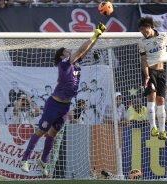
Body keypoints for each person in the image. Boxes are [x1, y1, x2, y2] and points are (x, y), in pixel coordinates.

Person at [20, 22, 106, 176]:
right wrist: (93, 35)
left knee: (52, 134)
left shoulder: (76, 64)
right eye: (67, 51)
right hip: (54, 104)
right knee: (41, 131)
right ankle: (24, 159)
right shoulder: (64, 64)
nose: (70, 52)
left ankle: (43, 161)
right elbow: (80, 50)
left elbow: (84, 51)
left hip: (65, 107)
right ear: (62, 56)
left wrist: (97, 38)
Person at [138, 17, 167, 140]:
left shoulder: (164, 36)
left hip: (161, 71)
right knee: (152, 98)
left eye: (144, 29)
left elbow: (166, 44)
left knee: (161, 100)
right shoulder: (142, 42)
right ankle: (153, 127)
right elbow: (143, 60)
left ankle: (162, 131)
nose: (142, 32)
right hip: (150, 72)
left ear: (150, 27)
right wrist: (146, 76)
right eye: (140, 30)